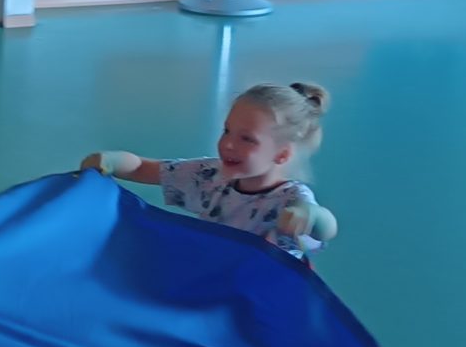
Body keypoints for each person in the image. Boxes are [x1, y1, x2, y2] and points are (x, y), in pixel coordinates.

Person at [83, 82, 336, 260]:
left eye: (246, 139)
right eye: (227, 131)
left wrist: (312, 216)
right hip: (214, 274)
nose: (227, 144)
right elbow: (146, 168)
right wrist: (112, 161)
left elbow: (326, 229)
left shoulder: (291, 199)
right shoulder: (210, 175)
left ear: (281, 154)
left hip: (262, 290)